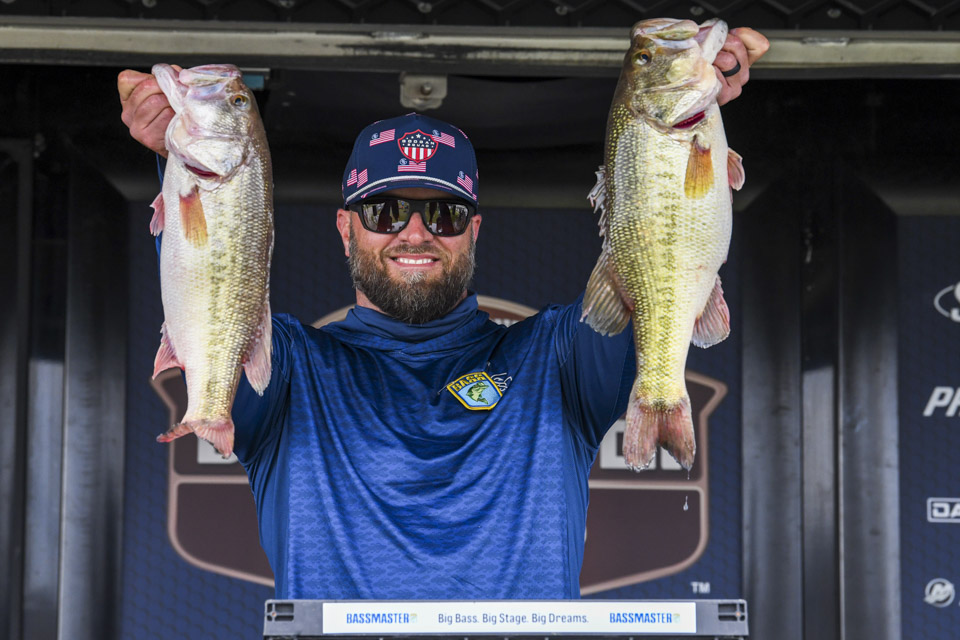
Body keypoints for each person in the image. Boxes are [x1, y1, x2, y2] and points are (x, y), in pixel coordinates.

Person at [118, 29, 769, 600]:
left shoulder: (553, 359)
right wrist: (175, 155)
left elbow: (653, 259)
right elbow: (210, 272)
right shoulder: (287, 368)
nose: (415, 232)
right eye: (384, 211)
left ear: (475, 230)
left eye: (445, 213)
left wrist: (694, 118)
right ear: (346, 229)